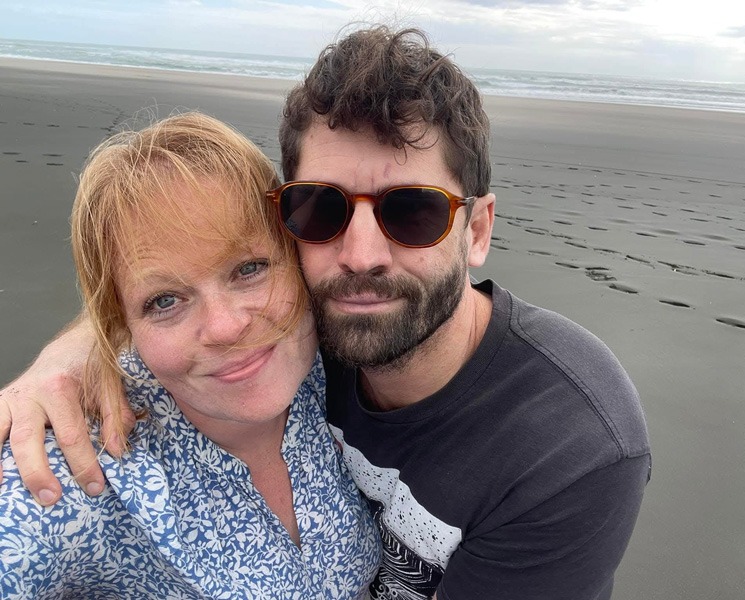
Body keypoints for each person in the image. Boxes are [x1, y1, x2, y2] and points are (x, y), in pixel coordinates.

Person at [0, 26, 651, 600]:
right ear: (295, 227)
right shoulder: (297, 340)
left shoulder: (569, 444)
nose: (361, 257)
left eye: (412, 212)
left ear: (477, 231)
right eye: (325, 209)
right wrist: (68, 356)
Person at [0, 112, 380, 598]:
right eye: (164, 301)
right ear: (123, 322)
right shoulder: (85, 468)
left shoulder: (343, 358)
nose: (225, 327)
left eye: (249, 268)